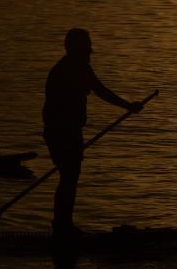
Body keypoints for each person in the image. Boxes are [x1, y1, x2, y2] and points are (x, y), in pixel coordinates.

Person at [42, 28, 144, 240]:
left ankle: (62, 226)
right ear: (76, 48)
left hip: (66, 132)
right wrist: (127, 106)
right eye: (86, 46)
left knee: (69, 177)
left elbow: (98, 90)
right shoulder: (70, 69)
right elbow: (100, 91)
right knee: (69, 177)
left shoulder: (78, 67)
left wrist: (127, 106)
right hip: (62, 132)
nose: (90, 50)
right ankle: (62, 228)